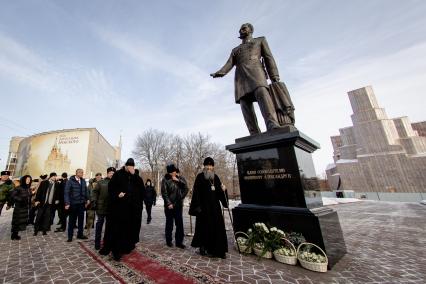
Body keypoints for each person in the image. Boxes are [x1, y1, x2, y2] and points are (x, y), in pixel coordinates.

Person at [211, 23, 282, 135]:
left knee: (262, 93)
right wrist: (220, 72)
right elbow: (229, 63)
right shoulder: (235, 50)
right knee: (244, 102)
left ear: (251, 30)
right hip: (240, 77)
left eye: (244, 28)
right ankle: (253, 131)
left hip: (256, 72)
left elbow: (269, 58)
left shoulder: (260, 41)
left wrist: (274, 76)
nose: (241, 30)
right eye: (240, 29)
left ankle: (272, 124)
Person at [189, 157, 228, 259]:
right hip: (204, 209)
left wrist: (224, 190)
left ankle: (219, 250)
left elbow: (220, 194)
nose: (209, 167)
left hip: (215, 209)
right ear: (204, 166)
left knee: (217, 229)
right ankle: (203, 247)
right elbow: (196, 193)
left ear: (213, 167)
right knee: (203, 229)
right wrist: (198, 207)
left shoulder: (216, 178)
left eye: (211, 165)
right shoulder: (200, 177)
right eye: (207, 165)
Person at [108, 158, 145, 261]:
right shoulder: (118, 174)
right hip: (119, 209)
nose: (130, 169)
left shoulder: (136, 177)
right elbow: (111, 188)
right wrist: (117, 194)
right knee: (118, 230)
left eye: (132, 167)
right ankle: (116, 252)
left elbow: (142, 191)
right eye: (129, 167)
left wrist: (134, 175)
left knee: (129, 230)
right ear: (125, 166)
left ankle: (127, 247)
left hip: (132, 210)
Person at [161, 163, 189, 248]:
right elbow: (164, 193)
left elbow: (186, 189)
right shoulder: (165, 180)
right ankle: (168, 241)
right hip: (169, 206)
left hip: (178, 205)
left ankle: (179, 242)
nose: (174, 173)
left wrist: (178, 181)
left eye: (175, 171)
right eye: (173, 171)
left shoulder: (180, 178)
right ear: (170, 172)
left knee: (179, 224)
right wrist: (168, 203)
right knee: (169, 224)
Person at [64, 169, 90, 242]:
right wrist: (67, 203)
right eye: (80, 172)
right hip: (73, 204)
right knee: (72, 220)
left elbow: (86, 191)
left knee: (81, 220)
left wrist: (87, 199)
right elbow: (66, 193)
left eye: (82, 173)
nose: (82, 174)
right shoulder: (70, 181)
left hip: (81, 204)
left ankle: (80, 234)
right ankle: (70, 236)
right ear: (76, 173)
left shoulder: (83, 181)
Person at [93, 167, 115, 251]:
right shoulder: (101, 182)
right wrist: (94, 201)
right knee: (99, 225)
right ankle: (97, 243)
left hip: (111, 209)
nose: (111, 174)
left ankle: (107, 243)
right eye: (110, 173)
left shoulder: (116, 183)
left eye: (113, 173)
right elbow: (94, 192)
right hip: (101, 207)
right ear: (107, 173)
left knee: (109, 227)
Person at [9, 175, 32, 240]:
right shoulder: (19, 187)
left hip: (25, 207)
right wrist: (20, 200)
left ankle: (16, 233)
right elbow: (12, 195)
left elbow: (28, 196)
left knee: (21, 221)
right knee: (17, 221)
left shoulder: (28, 188)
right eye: (27, 179)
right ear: (23, 180)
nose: (28, 181)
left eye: (29, 180)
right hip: (19, 207)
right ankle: (14, 235)